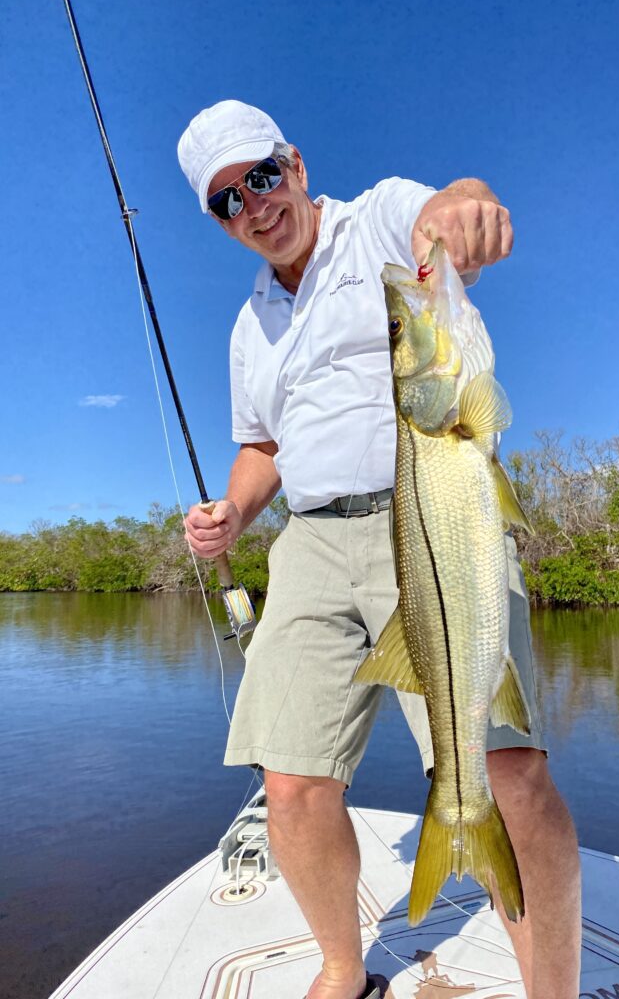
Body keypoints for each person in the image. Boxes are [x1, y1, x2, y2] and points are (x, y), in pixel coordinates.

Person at [177, 100, 581, 999]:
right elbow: (264, 445)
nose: (253, 204)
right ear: (220, 219)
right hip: (311, 544)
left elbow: (445, 210)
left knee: (508, 772)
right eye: (227, 199)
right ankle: (341, 967)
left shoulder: (380, 219)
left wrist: (465, 210)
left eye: (261, 176)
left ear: (296, 164)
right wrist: (234, 510)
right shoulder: (249, 326)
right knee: (290, 783)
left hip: (437, 522)